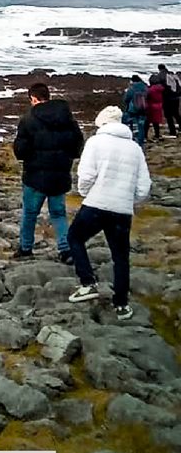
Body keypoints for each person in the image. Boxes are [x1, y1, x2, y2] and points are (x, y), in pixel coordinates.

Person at [67, 105, 151, 321]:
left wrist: (87, 194)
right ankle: (121, 305)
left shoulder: (95, 142)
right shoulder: (134, 148)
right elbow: (144, 187)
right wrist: (128, 200)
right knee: (121, 257)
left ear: (101, 122)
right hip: (122, 210)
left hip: (96, 204)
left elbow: (85, 176)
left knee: (75, 238)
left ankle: (88, 283)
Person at [11, 82, 83, 261]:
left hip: (35, 176)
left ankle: (26, 248)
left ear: (34, 99)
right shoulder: (68, 118)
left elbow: (20, 152)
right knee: (58, 214)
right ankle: (65, 251)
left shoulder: (28, 120)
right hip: (60, 175)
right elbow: (77, 146)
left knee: (29, 214)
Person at [121, 74, 149, 146]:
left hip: (133, 110)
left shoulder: (132, 88)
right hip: (143, 109)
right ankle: (141, 142)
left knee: (129, 124)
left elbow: (126, 99)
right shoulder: (145, 87)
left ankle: (131, 139)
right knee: (141, 126)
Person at [160, 64, 181, 137]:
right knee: (176, 114)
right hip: (176, 98)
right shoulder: (174, 77)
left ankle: (172, 131)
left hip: (168, 99)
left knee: (169, 116)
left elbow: (163, 89)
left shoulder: (163, 76)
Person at [145, 74, 166, 143]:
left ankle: (145, 135)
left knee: (147, 122)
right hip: (159, 105)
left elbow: (147, 97)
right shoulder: (161, 88)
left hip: (151, 106)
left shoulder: (151, 90)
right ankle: (157, 134)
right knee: (156, 122)